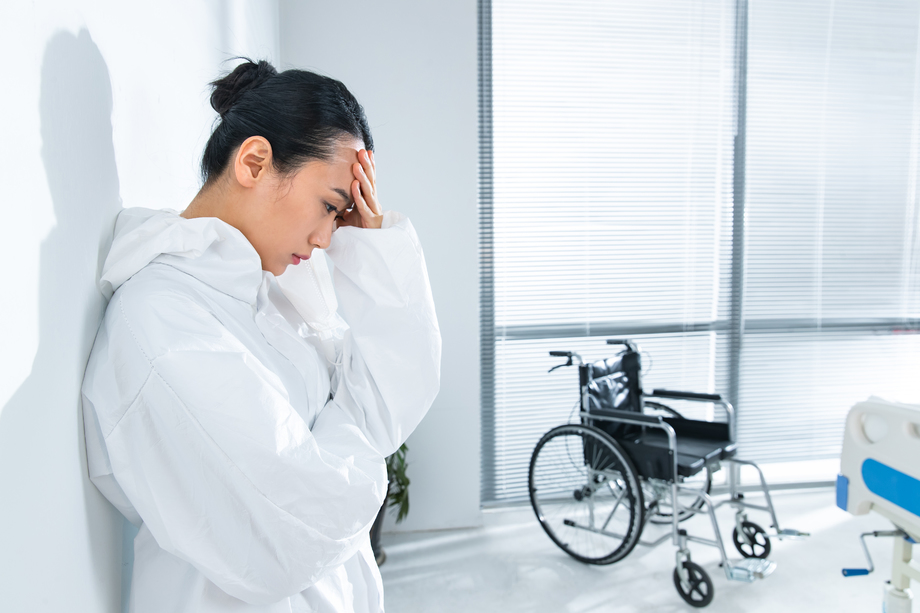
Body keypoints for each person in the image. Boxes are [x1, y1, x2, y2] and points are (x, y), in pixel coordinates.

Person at [81, 59, 441, 613]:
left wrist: (372, 245)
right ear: (254, 161)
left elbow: (387, 397)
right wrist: (356, 442)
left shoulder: (268, 298)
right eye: (329, 206)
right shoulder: (161, 321)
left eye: (342, 215)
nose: (327, 238)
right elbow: (298, 531)